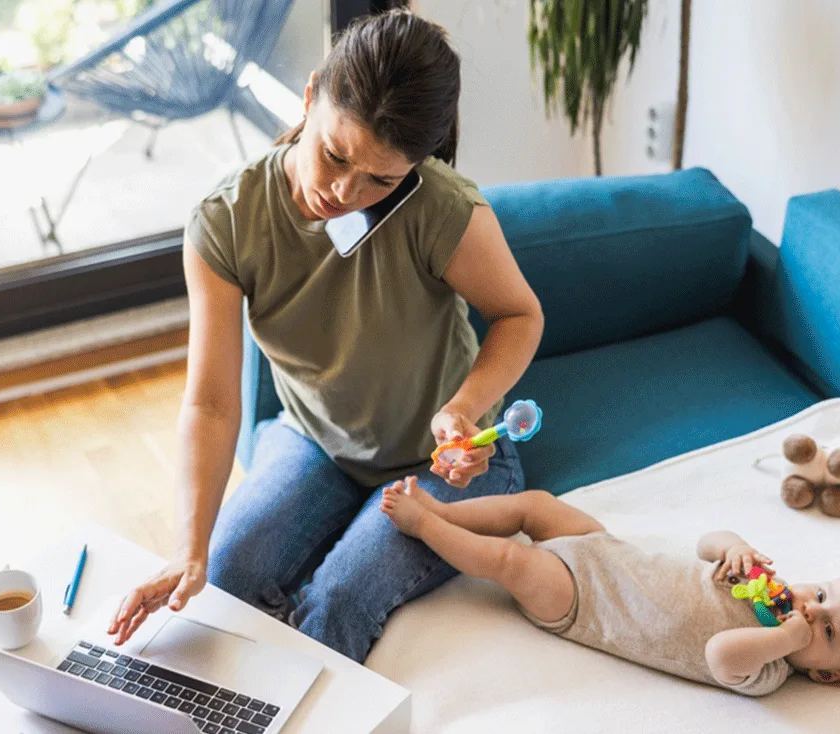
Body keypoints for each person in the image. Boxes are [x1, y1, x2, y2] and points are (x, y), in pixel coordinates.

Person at [107, 9, 544, 662]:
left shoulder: (441, 209)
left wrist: (464, 408)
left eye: (381, 180)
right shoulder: (227, 224)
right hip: (317, 441)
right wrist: (187, 549)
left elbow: (520, 315)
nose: (344, 191)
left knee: (337, 601)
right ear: (310, 96)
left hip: (440, 462)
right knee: (221, 576)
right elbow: (212, 403)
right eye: (335, 156)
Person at [379, 477, 840, 695]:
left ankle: (425, 526)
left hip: (583, 602)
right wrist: (733, 546)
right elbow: (705, 544)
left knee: (510, 560)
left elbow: (720, 654)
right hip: (605, 550)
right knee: (535, 505)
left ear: (826, 674)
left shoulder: (768, 670)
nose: (812, 610)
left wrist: (787, 638)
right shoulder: (770, 584)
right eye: (823, 595)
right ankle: (446, 510)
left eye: (827, 630)